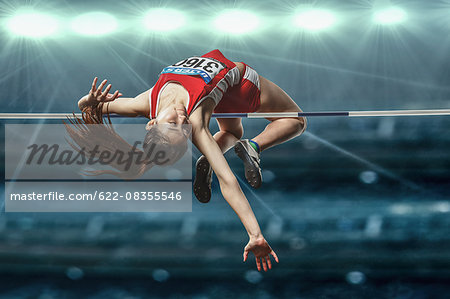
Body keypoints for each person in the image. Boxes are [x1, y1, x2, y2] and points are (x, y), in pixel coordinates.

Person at [76, 49, 307, 272]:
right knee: (296, 120)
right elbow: (227, 181)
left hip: (222, 94)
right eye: (183, 129)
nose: (181, 118)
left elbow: (88, 108)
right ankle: (254, 146)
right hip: (239, 86)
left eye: (173, 123)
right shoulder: (194, 122)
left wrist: (88, 99)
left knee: (233, 133)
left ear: (152, 122)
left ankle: (223, 149)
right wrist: (255, 235)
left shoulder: (143, 103)